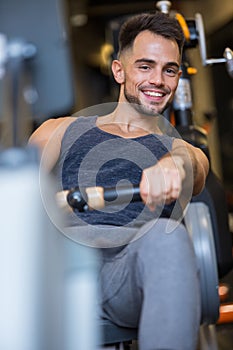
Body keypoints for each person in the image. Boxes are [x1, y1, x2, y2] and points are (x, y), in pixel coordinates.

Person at [29, 11, 209, 350]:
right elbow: (13, 195)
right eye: (145, 66)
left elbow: (195, 166)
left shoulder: (178, 149)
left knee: (164, 236)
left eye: (169, 69)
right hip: (60, 271)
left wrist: (173, 164)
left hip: (126, 275)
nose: (158, 79)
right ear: (119, 70)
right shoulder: (60, 130)